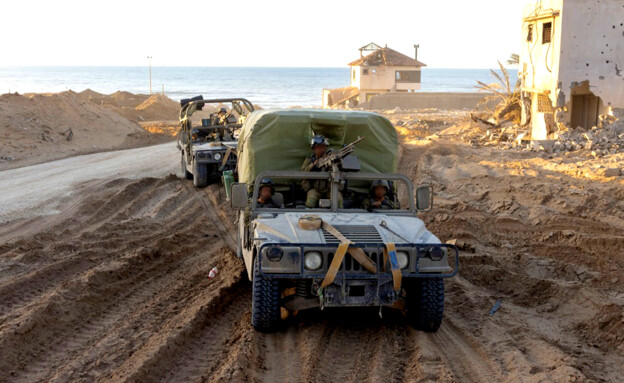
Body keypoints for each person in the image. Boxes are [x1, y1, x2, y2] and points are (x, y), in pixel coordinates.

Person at [301, 135, 343, 208]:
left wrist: (335, 163)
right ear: (314, 149)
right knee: (310, 202)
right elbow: (303, 171)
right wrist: (313, 165)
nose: (320, 149)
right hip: (315, 189)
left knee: (338, 201)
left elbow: (342, 169)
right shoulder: (310, 159)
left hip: (331, 189)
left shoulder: (331, 157)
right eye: (318, 147)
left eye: (322, 147)